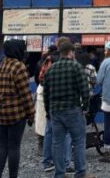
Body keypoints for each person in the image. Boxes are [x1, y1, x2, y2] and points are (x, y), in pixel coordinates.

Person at [43, 37, 92, 178]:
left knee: (57, 143)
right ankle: (80, 173)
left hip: (55, 111)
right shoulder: (76, 67)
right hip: (73, 109)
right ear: (71, 52)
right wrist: (85, 106)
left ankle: (59, 173)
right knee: (78, 141)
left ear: (60, 52)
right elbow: (85, 90)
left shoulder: (51, 69)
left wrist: (48, 111)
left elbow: (46, 93)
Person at [0, 39, 35, 178]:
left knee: (2, 146)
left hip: (0, 112)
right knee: (14, 147)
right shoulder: (19, 67)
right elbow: (25, 94)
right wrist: (31, 114)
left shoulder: (1, 66)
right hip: (16, 113)